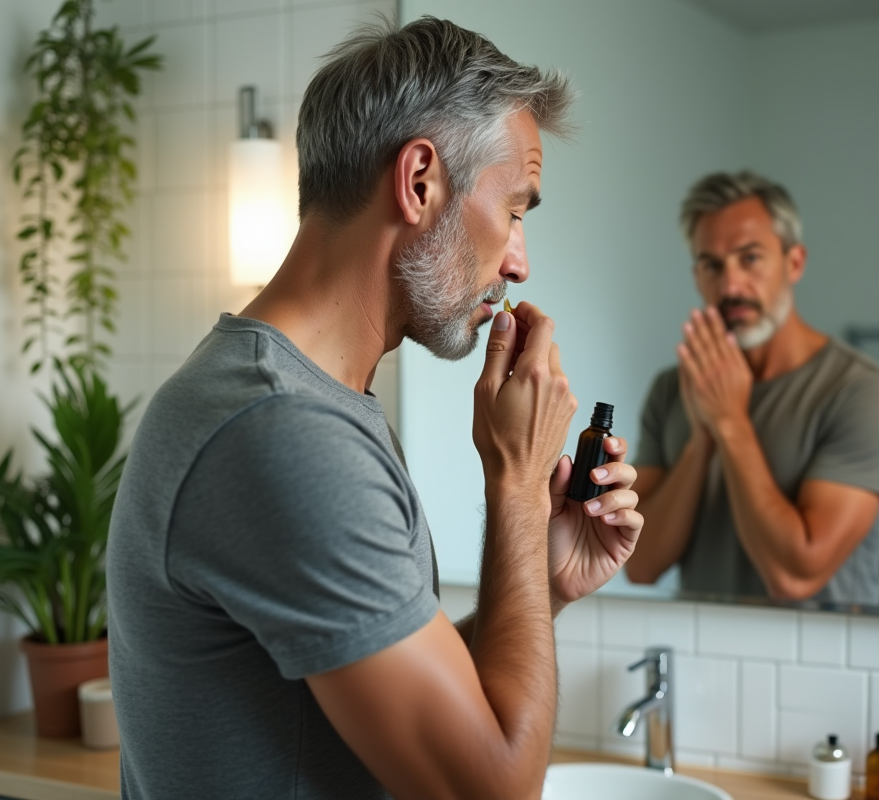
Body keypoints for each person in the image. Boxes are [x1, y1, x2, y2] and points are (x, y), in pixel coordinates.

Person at [106, 17, 643, 800]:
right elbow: (493, 788)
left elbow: (401, 706)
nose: (519, 264)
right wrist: (519, 484)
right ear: (419, 181)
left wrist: (544, 579)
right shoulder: (283, 434)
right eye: (515, 211)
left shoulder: (307, 403)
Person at [623, 171, 879, 605]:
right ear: (697, 276)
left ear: (794, 263)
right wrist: (700, 442)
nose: (731, 285)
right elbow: (639, 564)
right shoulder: (673, 389)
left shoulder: (866, 394)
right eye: (712, 265)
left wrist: (729, 422)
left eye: (750, 258)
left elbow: (795, 577)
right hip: (700, 646)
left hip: (823, 650)